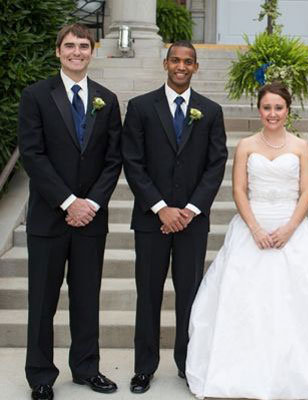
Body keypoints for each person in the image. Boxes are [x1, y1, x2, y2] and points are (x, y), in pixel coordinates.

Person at [185, 82, 308, 400]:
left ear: (287, 110)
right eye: (267, 107)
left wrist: (291, 228)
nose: (272, 113)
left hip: (293, 229)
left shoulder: (301, 146)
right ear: (259, 110)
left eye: (278, 107)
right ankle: (244, 373)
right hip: (254, 229)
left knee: (305, 305)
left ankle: (300, 375)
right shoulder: (246, 145)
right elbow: (239, 190)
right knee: (247, 306)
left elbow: (307, 191)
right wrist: (255, 229)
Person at [18, 23, 122, 400]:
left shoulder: (107, 100)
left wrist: (90, 203)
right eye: (70, 46)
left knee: (86, 298)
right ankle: (41, 375)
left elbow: (113, 160)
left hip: (90, 220)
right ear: (58, 51)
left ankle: (86, 368)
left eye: (83, 46)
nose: (77, 52)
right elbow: (33, 154)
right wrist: (68, 202)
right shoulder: (36, 95)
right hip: (49, 217)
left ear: (92, 51)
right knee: (42, 301)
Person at [121, 41, 227, 393]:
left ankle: (187, 363)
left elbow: (215, 165)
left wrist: (191, 209)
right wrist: (160, 207)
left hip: (192, 222)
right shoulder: (140, 107)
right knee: (148, 294)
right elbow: (133, 162)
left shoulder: (210, 111)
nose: (181, 66)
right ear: (165, 63)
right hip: (152, 220)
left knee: (189, 295)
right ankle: (144, 367)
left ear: (196, 67)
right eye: (176, 60)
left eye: (188, 62)